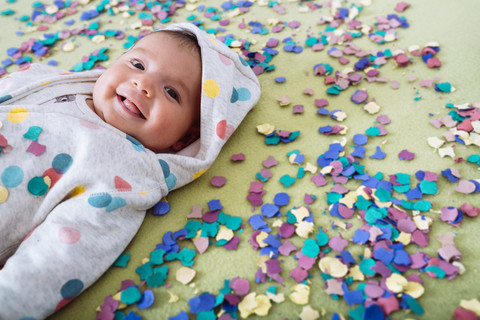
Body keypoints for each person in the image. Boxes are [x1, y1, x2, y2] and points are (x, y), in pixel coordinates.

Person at [0, 22, 261, 319]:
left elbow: (58, 256)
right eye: (137, 64)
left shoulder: (122, 174)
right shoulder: (46, 80)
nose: (143, 84)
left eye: (172, 92)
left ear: (186, 138)